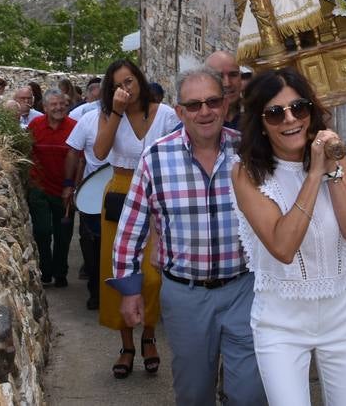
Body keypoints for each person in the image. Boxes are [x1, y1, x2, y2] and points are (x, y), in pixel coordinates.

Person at [109, 68, 266, 406]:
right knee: (194, 394)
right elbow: (131, 227)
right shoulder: (156, 158)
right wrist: (129, 289)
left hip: (245, 290)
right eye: (193, 105)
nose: (204, 112)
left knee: (252, 394)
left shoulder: (249, 152)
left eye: (211, 102)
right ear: (180, 112)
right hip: (185, 296)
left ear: (225, 105)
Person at [232, 68, 346, 406]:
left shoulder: (333, 159)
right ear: (261, 123)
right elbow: (283, 246)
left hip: (344, 315)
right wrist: (313, 175)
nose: (290, 119)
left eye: (300, 108)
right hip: (281, 323)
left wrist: (332, 168)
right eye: (276, 113)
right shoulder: (247, 173)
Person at [92, 58, 178, 378]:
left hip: (158, 192)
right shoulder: (108, 114)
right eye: (117, 85)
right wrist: (115, 111)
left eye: (128, 81)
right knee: (119, 271)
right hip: (121, 189)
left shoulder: (165, 114)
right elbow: (100, 152)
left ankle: (149, 335)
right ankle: (126, 345)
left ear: (139, 80)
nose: (124, 89)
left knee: (153, 274)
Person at [28, 90, 76, 288]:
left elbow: (79, 159)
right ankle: (45, 270)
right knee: (42, 230)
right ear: (45, 108)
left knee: (63, 233)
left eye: (62, 104)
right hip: (39, 187)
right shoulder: (35, 125)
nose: (59, 108)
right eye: (54, 105)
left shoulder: (74, 127)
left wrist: (71, 186)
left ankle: (60, 272)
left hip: (64, 188)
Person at [65, 96, 106, 309]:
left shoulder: (138, 120)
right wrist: (69, 183)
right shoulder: (88, 119)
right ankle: (96, 290)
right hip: (92, 192)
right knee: (91, 242)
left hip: (127, 192)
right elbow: (73, 152)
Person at [204, 50, 244, 129]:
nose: (227, 83)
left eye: (233, 75)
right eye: (219, 76)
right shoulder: (198, 122)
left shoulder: (256, 115)